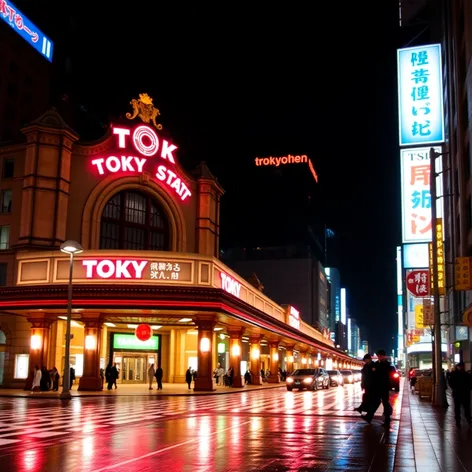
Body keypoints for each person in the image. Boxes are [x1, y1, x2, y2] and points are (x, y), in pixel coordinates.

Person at [448, 362, 472, 427]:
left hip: (458, 393)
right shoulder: (466, 374)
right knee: (465, 408)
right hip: (463, 393)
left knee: (459, 408)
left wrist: (454, 388)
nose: (461, 367)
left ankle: (461, 421)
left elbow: (450, 382)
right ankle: (467, 420)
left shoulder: (455, 374)